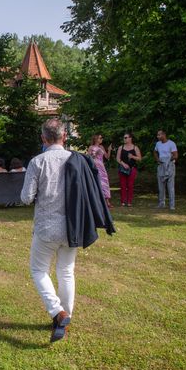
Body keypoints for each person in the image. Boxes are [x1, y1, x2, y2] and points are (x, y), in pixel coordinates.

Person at [20, 119, 77, 343]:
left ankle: (58, 312)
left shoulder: (37, 162)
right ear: (64, 137)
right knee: (66, 272)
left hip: (46, 227)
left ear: (44, 139)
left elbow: (26, 197)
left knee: (38, 270)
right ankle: (66, 316)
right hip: (72, 226)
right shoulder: (78, 160)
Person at [154, 129, 178, 210]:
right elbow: (155, 152)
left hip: (169, 166)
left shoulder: (171, 143)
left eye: (159, 135)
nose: (158, 136)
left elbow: (175, 156)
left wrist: (168, 160)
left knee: (170, 186)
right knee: (161, 186)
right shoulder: (158, 144)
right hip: (161, 165)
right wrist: (157, 159)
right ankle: (161, 203)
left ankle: (172, 205)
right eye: (157, 135)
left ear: (164, 135)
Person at [115, 132, 141, 207]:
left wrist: (133, 156)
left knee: (130, 185)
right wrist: (123, 164)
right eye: (124, 138)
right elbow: (117, 158)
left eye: (126, 137)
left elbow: (139, 158)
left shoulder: (135, 147)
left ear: (130, 138)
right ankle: (123, 201)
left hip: (132, 169)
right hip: (122, 169)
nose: (124, 139)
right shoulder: (121, 147)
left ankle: (129, 202)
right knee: (123, 185)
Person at [87, 134, 113, 208]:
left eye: (102, 138)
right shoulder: (91, 147)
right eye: (100, 138)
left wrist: (109, 150)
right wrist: (93, 155)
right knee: (97, 182)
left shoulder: (101, 147)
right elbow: (89, 157)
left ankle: (107, 201)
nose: (102, 139)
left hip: (101, 167)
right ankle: (98, 201)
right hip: (95, 166)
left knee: (105, 182)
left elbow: (107, 157)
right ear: (96, 139)